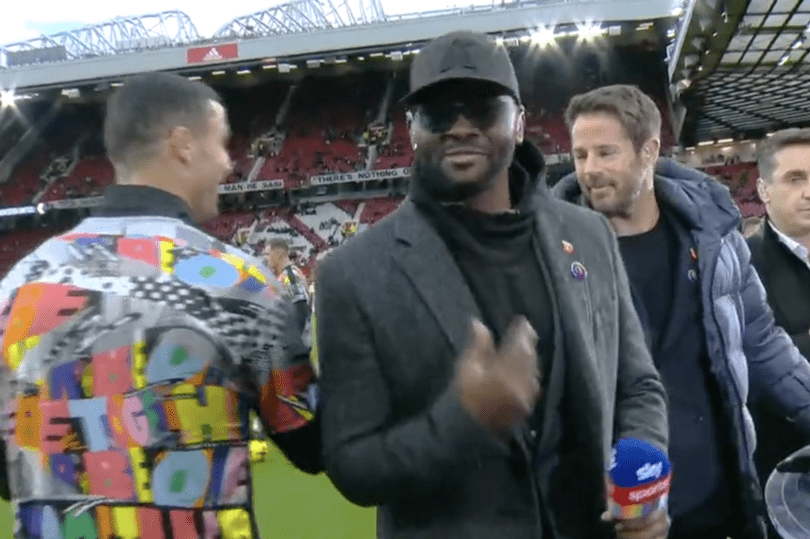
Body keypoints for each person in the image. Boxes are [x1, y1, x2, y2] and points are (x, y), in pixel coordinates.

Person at [317, 31, 669, 539]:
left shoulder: (586, 233)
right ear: (412, 130)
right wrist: (466, 418)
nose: (461, 127)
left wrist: (643, 478)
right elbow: (352, 465)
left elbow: (637, 383)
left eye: (483, 109)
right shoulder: (353, 272)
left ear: (520, 122)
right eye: (438, 113)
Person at [0, 72, 320, 538]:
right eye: (223, 143)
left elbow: (10, 471)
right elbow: (311, 444)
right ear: (183, 144)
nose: (230, 164)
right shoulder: (235, 281)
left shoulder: (17, 285)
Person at [552, 84, 810, 539]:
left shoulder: (714, 240)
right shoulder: (553, 255)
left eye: (605, 153)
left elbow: (763, 344)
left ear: (648, 151)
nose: (589, 170)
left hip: (720, 496)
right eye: (580, 155)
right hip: (620, 510)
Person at [747, 128, 810, 514]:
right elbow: (753, 368)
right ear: (763, 190)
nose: (809, 192)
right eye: (795, 179)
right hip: (789, 479)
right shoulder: (741, 266)